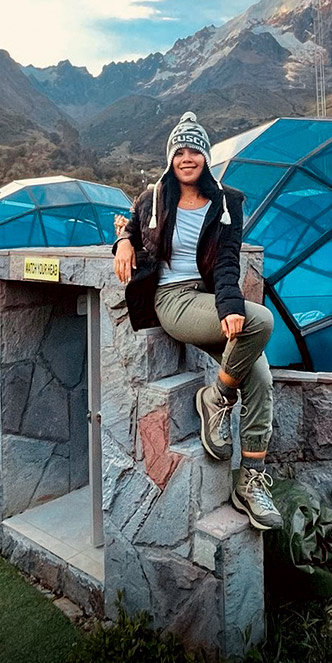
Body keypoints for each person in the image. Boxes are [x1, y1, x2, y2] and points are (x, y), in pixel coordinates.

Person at [113, 112, 283, 531]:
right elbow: (131, 228)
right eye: (180, 151)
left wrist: (228, 307)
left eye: (195, 151)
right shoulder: (152, 197)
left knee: (259, 372)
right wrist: (121, 243)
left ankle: (250, 478)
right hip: (173, 301)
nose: (187, 158)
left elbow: (227, 262)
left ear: (206, 157)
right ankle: (217, 399)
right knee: (262, 320)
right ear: (171, 157)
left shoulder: (227, 203)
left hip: (208, 300)